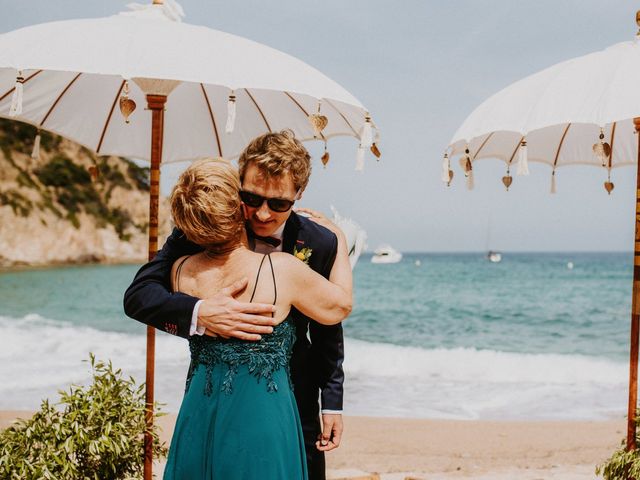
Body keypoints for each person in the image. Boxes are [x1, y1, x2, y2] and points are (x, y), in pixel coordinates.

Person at [123, 130, 347, 480]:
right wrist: (198, 312)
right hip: (214, 396)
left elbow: (327, 328)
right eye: (251, 197)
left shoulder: (319, 241)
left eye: (278, 203)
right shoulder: (195, 229)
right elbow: (138, 296)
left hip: (294, 402)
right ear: (238, 184)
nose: (261, 214)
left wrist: (332, 400)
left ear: (299, 194)